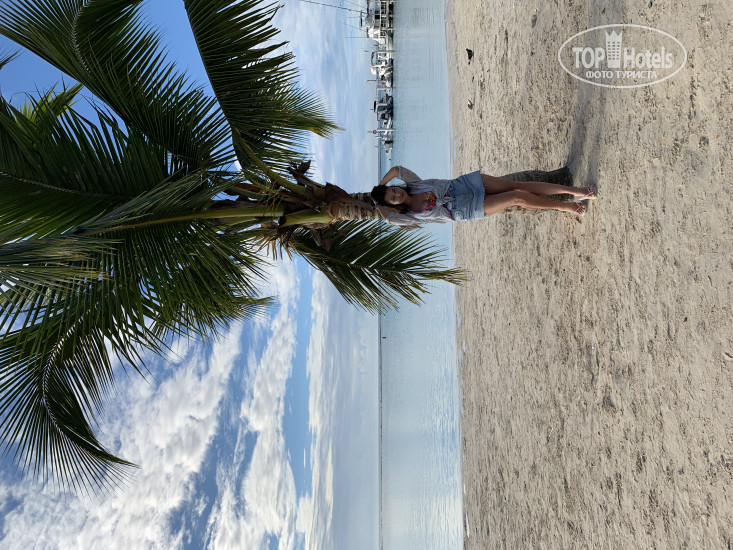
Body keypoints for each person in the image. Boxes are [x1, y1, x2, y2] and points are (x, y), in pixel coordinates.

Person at [370, 166, 597, 228]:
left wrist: (380, 186)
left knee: (519, 186)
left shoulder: (413, 184)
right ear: (393, 204)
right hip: (467, 209)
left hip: (465, 184)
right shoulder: (409, 216)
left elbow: (397, 170)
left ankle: (575, 191)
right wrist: (377, 202)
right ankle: (565, 207)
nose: (397, 193)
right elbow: (388, 218)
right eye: (393, 198)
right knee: (516, 197)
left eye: (393, 190)